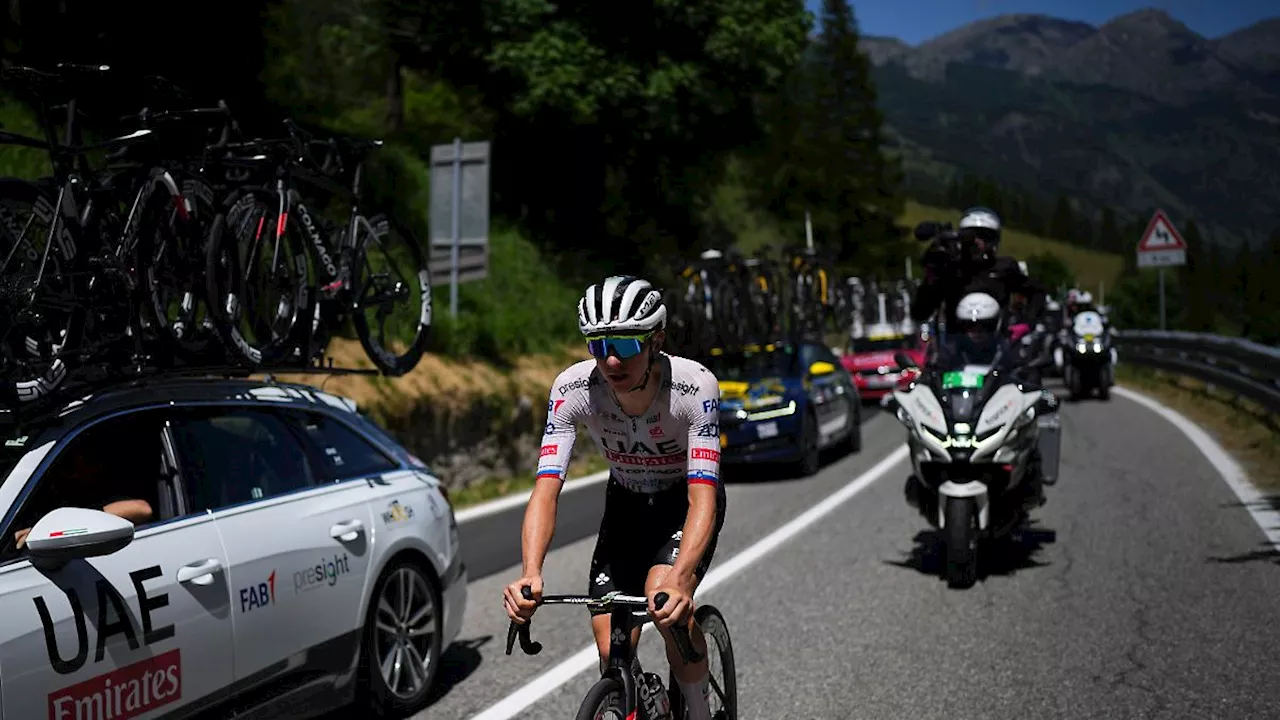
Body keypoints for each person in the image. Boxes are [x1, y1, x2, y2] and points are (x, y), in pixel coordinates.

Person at [503, 275, 726, 720]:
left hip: (681, 503)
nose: (609, 360)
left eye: (624, 344)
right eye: (597, 344)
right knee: (611, 649)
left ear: (655, 339)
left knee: (665, 603)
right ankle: (644, 699)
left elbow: (704, 498)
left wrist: (682, 578)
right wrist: (530, 572)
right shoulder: (571, 390)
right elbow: (546, 490)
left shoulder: (694, 387)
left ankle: (700, 713)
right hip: (625, 503)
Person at [912, 207, 1047, 354]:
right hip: (956, 354)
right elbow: (920, 312)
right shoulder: (951, 270)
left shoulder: (1004, 268)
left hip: (999, 354)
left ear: (995, 241)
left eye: (985, 237)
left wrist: (1026, 324)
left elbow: (1037, 291)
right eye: (971, 236)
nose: (978, 242)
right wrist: (932, 276)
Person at [10, 420, 156, 552]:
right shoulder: (30, 497)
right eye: (65, 465)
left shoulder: (101, 493)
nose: (68, 473)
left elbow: (143, 509)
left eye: (74, 464)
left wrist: (65, 527)